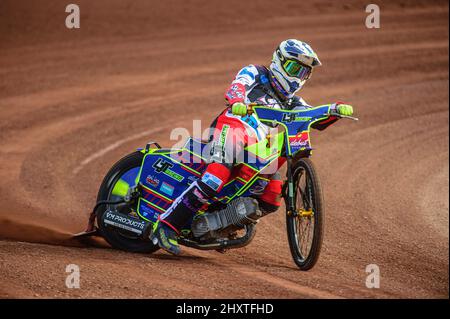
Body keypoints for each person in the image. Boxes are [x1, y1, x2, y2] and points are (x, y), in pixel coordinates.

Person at [151, 39, 354, 255]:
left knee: (272, 195)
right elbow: (237, 87)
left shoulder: (293, 102)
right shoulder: (256, 73)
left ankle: (222, 224)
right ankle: (165, 226)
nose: (298, 78)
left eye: (304, 73)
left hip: (257, 147)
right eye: (294, 68)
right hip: (233, 128)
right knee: (214, 178)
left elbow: (311, 117)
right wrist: (238, 100)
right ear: (279, 61)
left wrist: (333, 110)